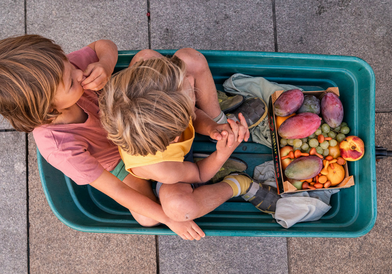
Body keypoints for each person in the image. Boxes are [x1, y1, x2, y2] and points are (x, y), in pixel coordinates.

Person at [0, 35, 210, 240]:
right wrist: (169, 219)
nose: (79, 73)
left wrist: (106, 65)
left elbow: (103, 44)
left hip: (133, 115)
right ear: (48, 110)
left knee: (146, 57)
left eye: (70, 64)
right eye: (71, 83)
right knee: (147, 218)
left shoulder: (65, 71)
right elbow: (116, 189)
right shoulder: (59, 148)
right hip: (117, 159)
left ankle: (205, 112)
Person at [99, 49, 274, 224]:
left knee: (155, 57)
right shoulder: (162, 169)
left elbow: (190, 113)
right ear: (178, 134)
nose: (191, 79)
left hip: (168, 132)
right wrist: (222, 154)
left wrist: (215, 128)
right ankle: (239, 184)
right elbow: (199, 174)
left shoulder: (164, 115)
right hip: (177, 166)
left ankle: (221, 121)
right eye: (190, 89)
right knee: (180, 208)